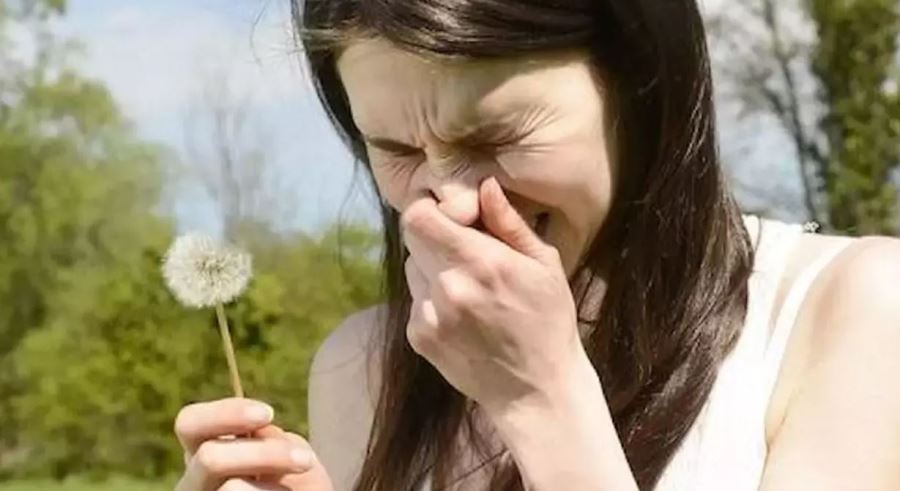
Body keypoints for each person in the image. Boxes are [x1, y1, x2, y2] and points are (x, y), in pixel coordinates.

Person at [172, 0, 900, 490]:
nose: (448, 200)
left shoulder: (855, 312)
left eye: (496, 136)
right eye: (396, 148)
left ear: (641, 89)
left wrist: (541, 396)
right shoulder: (362, 369)